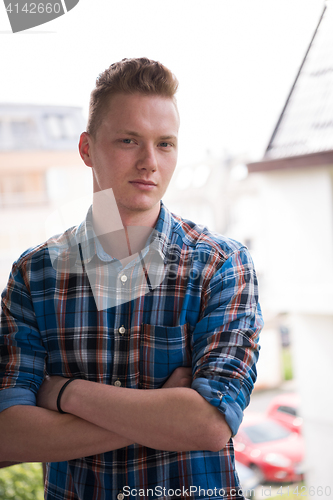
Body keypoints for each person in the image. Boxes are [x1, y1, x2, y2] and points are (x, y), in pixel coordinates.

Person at [0, 58, 263, 500]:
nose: (149, 162)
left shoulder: (222, 265)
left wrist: (65, 393)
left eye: (165, 144)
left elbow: (209, 425)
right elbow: (8, 436)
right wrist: (162, 416)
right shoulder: (35, 274)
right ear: (86, 149)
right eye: (128, 140)